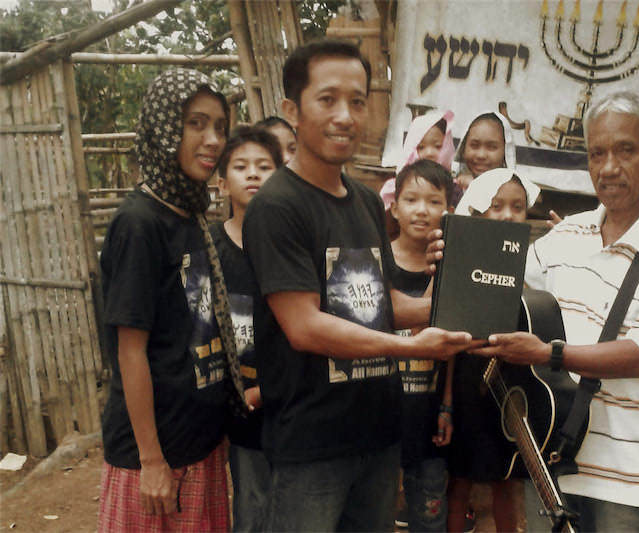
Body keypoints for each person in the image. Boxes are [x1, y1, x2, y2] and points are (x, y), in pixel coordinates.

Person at [241, 39, 478, 532]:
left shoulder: (367, 203)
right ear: (292, 110)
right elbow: (304, 327)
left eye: (357, 101)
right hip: (312, 443)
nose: (345, 116)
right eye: (327, 100)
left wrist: (448, 302)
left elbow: (378, 303)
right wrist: (409, 347)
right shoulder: (277, 206)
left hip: (377, 434)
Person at [472, 91, 639, 531]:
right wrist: (452, 258)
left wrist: (548, 354)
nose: (608, 167)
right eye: (597, 153)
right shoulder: (568, 236)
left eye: (625, 151)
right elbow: (497, 286)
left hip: (628, 481)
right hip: (552, 461)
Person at [97, 69, 245, 532]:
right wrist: (151, 460)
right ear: (164, 130)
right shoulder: (140, 224)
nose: (213, 140)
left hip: (198, 447)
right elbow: (130, 351)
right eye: (195, 124)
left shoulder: (191, 215)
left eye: (219, 127)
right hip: (155, 458)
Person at [445, 168, 540, 533]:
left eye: (517, 207)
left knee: (506, 478)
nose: (507, 215)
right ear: (479, 209)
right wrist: (447, 401)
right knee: (460, 478)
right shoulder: (460, 260)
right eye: (497, 206)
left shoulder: (535, 263)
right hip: (468, 381)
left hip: (512, 384)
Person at [211, 124, 283, 531]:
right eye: (240, 167)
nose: (253, 174)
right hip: (239, 409)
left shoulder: (291, 247)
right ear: (222, 184)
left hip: (291, 404)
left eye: (264, 166)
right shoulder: (209, 249)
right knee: (251, 506)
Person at [388, 159, 456, 532]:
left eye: (434, 201)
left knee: (429, 513)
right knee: (373, 511)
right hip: (382, 413)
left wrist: (447, 403)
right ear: (394, 207)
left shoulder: (453, 267)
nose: (421, 210)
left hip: (430, 416)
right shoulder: (379, 259)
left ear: (449, 211)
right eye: (411, 199)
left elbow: (452, 346)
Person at [453, 111, 516, 195]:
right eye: (474, 145)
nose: (481, 155)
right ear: (463, 148)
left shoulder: (514, 192)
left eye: (491, 147)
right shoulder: (452, 187)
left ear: (505, 152)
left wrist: (475, 186)